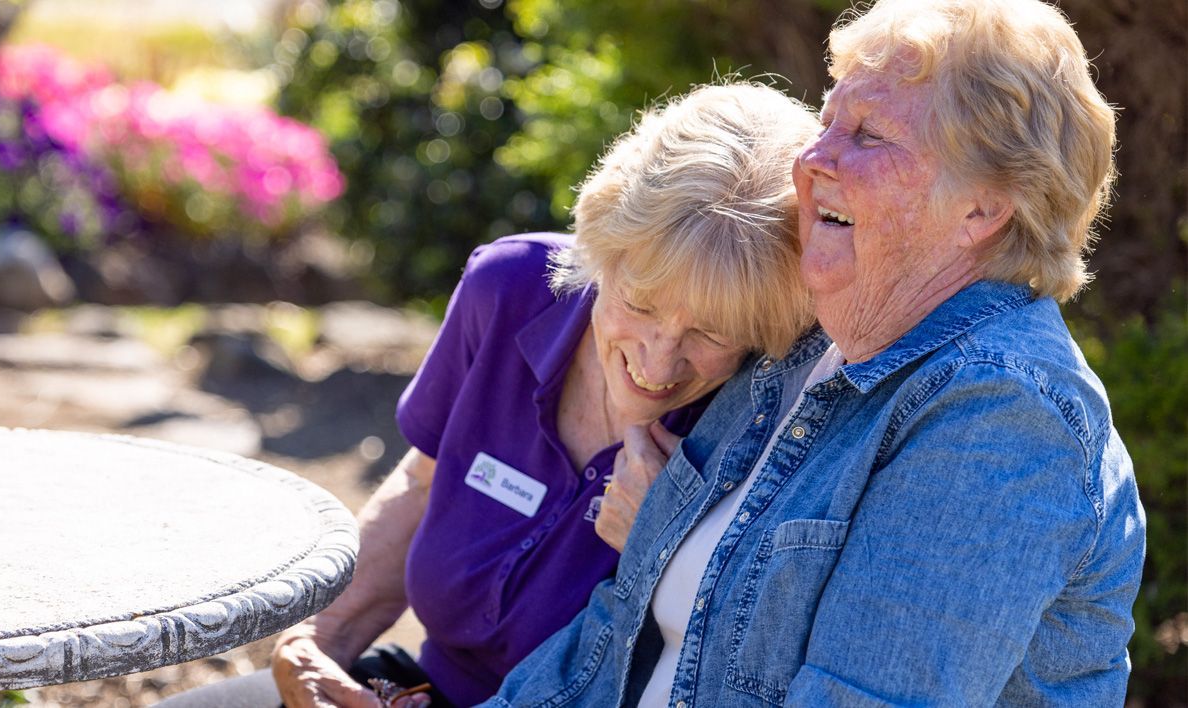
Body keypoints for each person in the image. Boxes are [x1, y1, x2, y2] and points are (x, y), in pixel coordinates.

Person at [486, 0, 1147, 705]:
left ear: (982, 208)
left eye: (866, 134)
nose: (810, 159)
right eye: (828, 118)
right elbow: (610, 641)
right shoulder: (807, 350)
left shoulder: (1005, 415)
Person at [258, 82, 822, 708]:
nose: (658, 360)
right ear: (602, 250)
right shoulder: (509, 290)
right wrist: (319, 641)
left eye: (712, 332)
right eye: (638, 303)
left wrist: (669, 549)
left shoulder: (772, 411)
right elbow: (422, 484)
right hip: (424, 686)